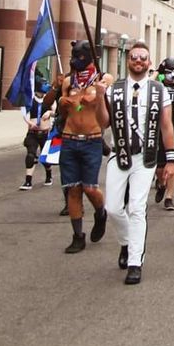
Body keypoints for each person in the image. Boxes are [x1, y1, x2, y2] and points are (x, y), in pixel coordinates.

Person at [99, 41, 174, 284]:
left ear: (149, 62)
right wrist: (99, 98)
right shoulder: (115, 89)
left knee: (136, 208)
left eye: (143, 57)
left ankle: (135, 262)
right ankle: (125, 241)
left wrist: (171, 159)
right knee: (112, 207)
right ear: (128, 60)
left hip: (146, 156)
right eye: (134, 57)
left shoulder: (158, 90)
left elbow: (166, 125)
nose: (139, 61)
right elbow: (103, 123)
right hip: (119, 153)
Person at [55, 40, 109, 254]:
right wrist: (62, 101)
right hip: (69, 139)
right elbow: (64, 106)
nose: (74, 59)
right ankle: (78, 235)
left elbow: (97, 94)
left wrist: (93, 93)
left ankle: (101, 212)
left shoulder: (101, 80)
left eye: (79, 55)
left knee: (90, 188)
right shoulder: (69, 81)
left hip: (91, 140)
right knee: (73, 190)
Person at [153, 57, 174, 211]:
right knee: (160, 166)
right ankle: (161, 184)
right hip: (158, 129)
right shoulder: (157, 85)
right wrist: (156, 76)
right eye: (167, 73)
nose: (171, 75)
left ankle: (169, 197)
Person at [19, 81, 54, 190]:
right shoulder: (30, 99)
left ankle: (49, 175)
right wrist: (29, 123)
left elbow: (56, 111)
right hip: (32, 133)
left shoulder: (49, 100)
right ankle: (28, 181)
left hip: (45, 133)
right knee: (30, 155)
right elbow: (24, 113)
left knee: (45, 158)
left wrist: (50, 113)